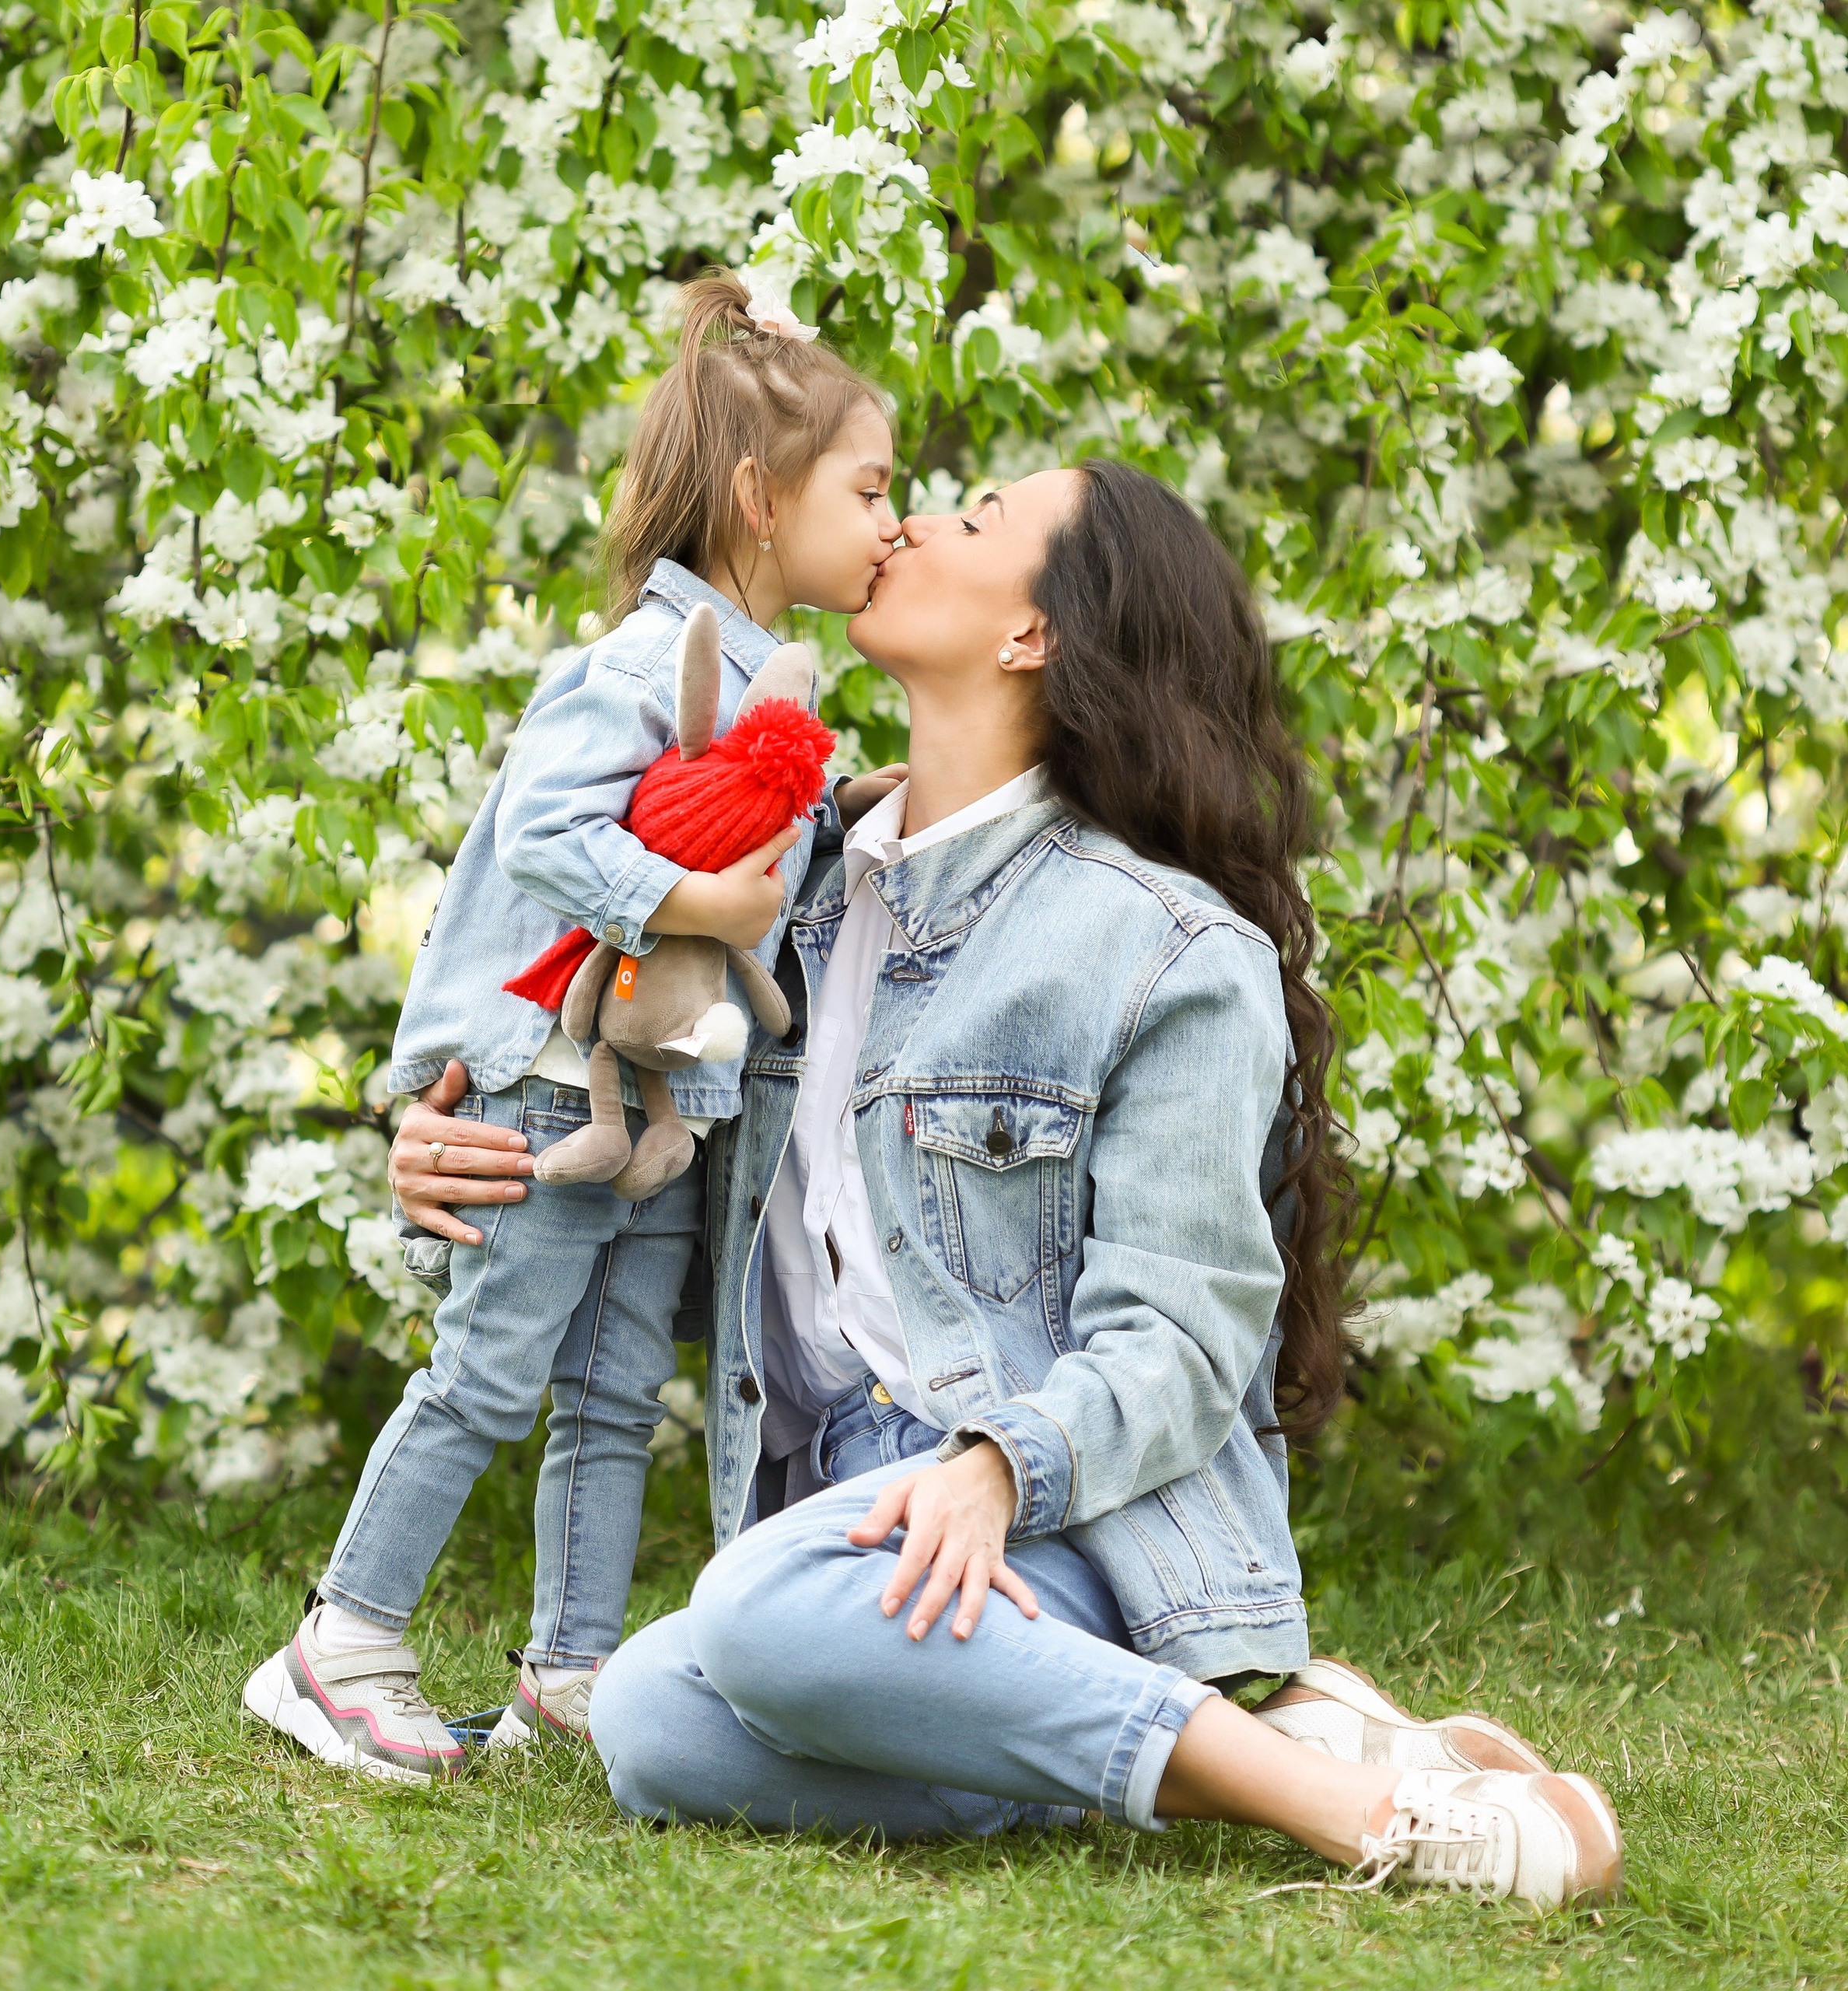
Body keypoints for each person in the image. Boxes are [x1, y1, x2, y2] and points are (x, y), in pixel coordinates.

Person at [566, 460, 1622, 1905]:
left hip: (1067, 1521)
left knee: (750, 1620)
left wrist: (1000, 1466)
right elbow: (694, 1186)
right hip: (839, 1512)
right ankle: (1274, 1738)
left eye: (980, 518)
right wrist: (472, 1128)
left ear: (1032, 636)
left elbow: (1185, 1339)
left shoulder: (1167, 952)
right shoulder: (788, 898)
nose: (918, 521)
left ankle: (1359, 1816)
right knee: (645, 1723)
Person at [243, 271, 904, 1780]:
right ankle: (340, 1636)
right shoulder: (634, 666)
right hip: (550, 1080)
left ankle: (572, 1659)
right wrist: (702, 907)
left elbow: (766, 846)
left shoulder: (768, 686)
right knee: (486, 1371)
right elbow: (548, 828)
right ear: (756, 496)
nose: (884, 522)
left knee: (616, 1389)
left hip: (664, 1103)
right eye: (866, 488)